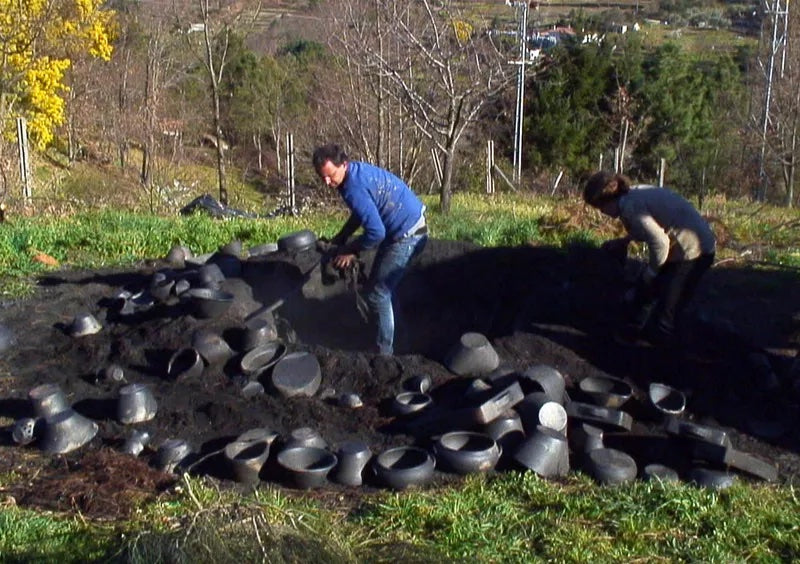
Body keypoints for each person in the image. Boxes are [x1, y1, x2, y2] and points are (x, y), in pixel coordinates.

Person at [312, 144, 428, 356]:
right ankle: (399, 337)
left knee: (377, 294)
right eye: (323, 178)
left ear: (343, 164)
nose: (327, 182)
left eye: (330, 175)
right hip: (407, 226)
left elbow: (376, 233)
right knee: (382, 289)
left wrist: (350, 251)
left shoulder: (352, 187)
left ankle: (384, 352)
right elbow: (362, 212)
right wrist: (342, 237)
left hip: (407, 236)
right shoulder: (354, 174)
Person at [583, 171, 716, 345]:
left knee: (666, 313)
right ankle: (634, 332)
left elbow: (660, 242)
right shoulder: (632, 194)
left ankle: (664, 357)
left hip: (693, 252)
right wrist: (625, 241)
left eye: (601, 208)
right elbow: (651, 224)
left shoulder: (630, 206)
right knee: (648, 291)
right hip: (688, 245)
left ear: (607, 200)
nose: (602, 213)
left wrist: (652, 272)